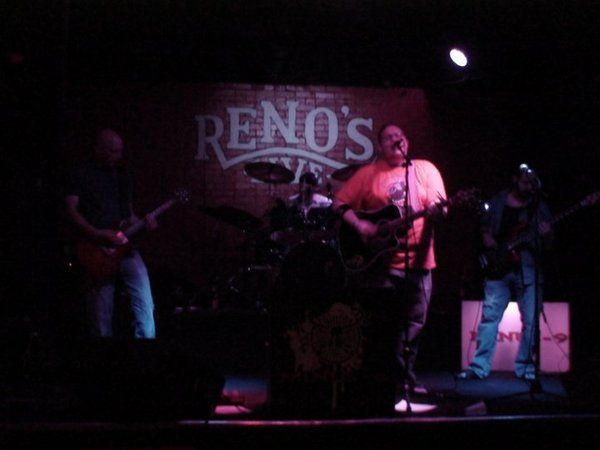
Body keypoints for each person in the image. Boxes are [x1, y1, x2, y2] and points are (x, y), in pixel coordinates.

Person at [332, 123, 447, 396]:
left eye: (400, 135)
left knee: (414, 325)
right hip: (380, 264)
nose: (397, 139)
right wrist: (360, 225)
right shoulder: (368, 174)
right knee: (381, 324)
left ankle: (404, 380)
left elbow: (440, 208)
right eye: (389, 137)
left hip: (420, 264)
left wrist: (438, 211)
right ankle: (377, 381)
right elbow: (338, 204)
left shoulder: (425, 169)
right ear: (380, 147)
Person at [456, 165, 552, 381]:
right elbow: (482, 224)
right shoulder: (498, 201)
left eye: (531, 183)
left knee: (531, 320)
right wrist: (485, 235)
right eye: (525, 181)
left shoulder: (538, 207)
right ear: (515, 179)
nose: (528, 186)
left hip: (527, 268)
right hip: (497, 267)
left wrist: (546, 234)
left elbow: (549, 243)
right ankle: (479, 367)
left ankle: (526, 368)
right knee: (490, 318)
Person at [65, 129, 157, 339]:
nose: (118, 156)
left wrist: (144, 223)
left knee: (144, 304)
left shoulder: (123, 176)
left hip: (124, 247)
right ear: (97, 149)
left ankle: (146, 348)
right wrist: (97, 234)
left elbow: (129, 215)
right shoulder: (80, 173)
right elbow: (70, 211)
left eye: (120, 151)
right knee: (101, 317)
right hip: (95, 249)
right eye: (112, 151)